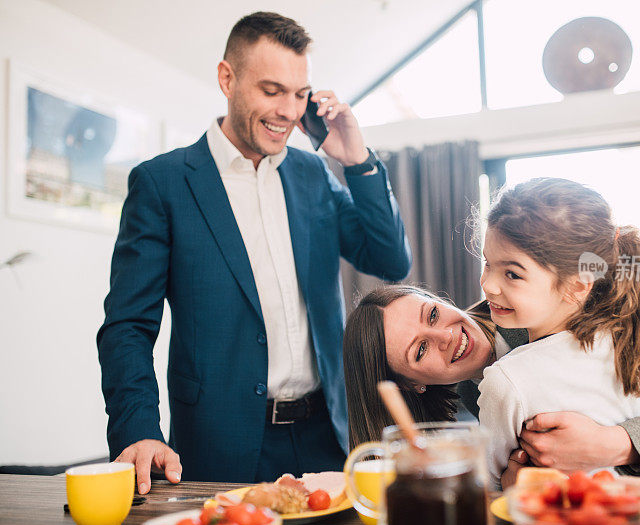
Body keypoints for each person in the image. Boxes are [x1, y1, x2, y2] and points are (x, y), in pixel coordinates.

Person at [97, 11, 411, 494]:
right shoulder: (162, 183)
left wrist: (357, 161)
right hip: (217, 444)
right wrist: (138, 429)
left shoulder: (313, 175)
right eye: (271, 90)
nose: (289, 110)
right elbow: (128, 325)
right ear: (228, 78)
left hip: (327, 431)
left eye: (300, 93)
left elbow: (390, 262)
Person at [343, 183, 640, 494]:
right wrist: (518, 481)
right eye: (420, 349)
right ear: (412, 384)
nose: (447, 335)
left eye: (433, 312)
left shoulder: (572, 313)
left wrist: (610, 444)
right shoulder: (484, 386)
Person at [476, 178, 640, 492]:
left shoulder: (506, 380)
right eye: (488, 264)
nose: (488, 285)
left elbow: (488, 490)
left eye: (512, 273)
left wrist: (509, 483)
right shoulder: (628, 337)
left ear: (578, 285)